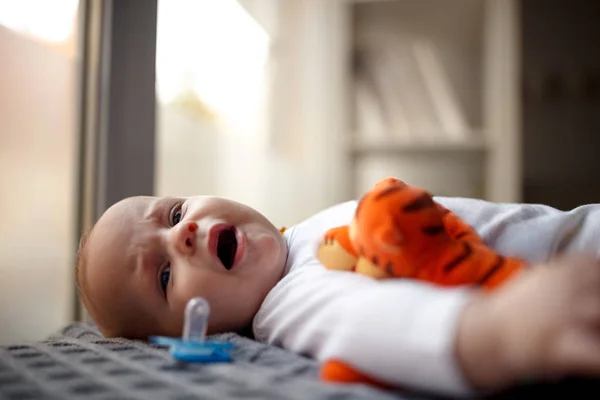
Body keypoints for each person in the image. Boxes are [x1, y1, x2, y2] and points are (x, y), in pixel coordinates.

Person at [75, 191, 600, 398]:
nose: (181, 233)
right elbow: (374, 323)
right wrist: (498, 332)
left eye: (172, 213)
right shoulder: (290, 302)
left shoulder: (303, 236)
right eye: (164, 276)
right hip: (567, 289)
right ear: (194, 330)